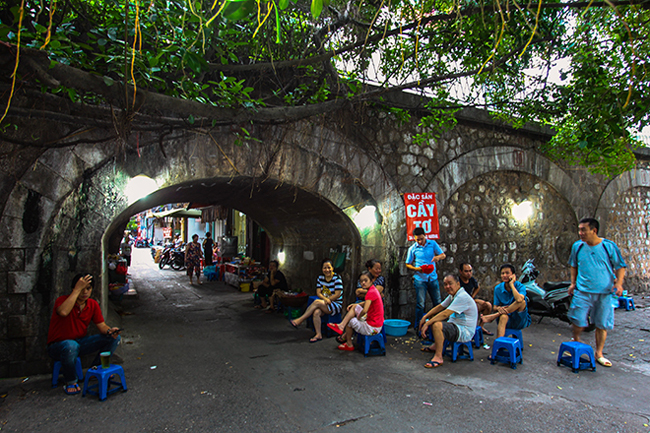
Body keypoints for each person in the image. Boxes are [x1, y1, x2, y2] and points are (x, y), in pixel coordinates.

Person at [47, 273, 121, 395]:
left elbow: (101, 325)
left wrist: (110, 331)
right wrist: (77, 289)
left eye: (88, 289)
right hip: (58, 346)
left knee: (114, 338)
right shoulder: (62, 301)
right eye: (82, 289)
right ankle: (70, 381)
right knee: (71, 346)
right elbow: (64, 312)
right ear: (74, 289)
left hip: (79, 343)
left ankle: (95, 369)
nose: (85, 292)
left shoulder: (92, 304)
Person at [568, 217, 626, 368]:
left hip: (604, 292)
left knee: (602, 323)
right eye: (579, 230)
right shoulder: (578, 246)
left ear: (593, 230)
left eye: (583, 230)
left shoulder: (608, 246)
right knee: (577, 318)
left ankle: (599, 353)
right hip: (583, 290)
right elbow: (573, 265)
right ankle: (576, 340)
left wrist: (619, 283)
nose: (580, 233)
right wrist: (573, 283)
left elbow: (620, 266)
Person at [418, 274, 478, 368]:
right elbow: (440, 307)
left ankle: (438, 357)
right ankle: (436, 345)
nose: (448, 287)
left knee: (437, 324)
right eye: (445, 284)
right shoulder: (453, 295)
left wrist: (427, 323)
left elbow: (445, 313)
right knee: (435, 320)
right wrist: (425, 317)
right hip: (455, 326)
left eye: (450, 284)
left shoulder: (462, 296)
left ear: (458, 284)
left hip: (464, 331)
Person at [327, 271, 385, 351]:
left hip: (373, 327)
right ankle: (341, 326)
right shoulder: (373, 290)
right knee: (355, 307)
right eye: (361, 281)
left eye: (365, 280)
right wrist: (355, 305)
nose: (363, 283)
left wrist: (359, 317)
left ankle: (349, 344)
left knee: (351, 321)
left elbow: (364, 311)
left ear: (371, 281)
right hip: (376, 322)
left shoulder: (370, 293)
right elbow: (366, 303)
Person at [290, 259, 343, 343]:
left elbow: (338, 294)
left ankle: (300, 320)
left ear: (332, 268)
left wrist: (329, 299)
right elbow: (318, 293)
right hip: (325, 302)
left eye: (329, 267)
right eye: (324, 268)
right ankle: (318, 334)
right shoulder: (320, 278)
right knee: (316, 312)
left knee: (316, 302)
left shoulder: (337, 278)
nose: (327, 270)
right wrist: (325, 299)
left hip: (335, 304)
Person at [405, 226, 446, 330]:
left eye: (421, 239)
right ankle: (418, 326)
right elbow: (407, 264)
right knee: (420, 304)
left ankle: (439, 325)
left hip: (432, 278)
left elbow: (443, 255)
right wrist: (417, 269)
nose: (420, 241)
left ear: (425, 236)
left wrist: (437, 257)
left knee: (437, 302)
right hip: (420, 279)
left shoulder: (432, 244)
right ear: (414, 238)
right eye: (417, 239)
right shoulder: (413, 249)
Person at [480, 264, 530, 338]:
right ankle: (499, 344)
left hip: (519, 319)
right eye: (503, 273)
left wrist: (512, 285)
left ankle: (494, 316)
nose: (504, 275)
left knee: (522, 302)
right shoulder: (498, 288)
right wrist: (499, 309)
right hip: (506, 319)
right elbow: (495, 307)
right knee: (503, 316)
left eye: (507, 273)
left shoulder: (520, 286)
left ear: (513, 275)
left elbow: (519, 299)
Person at [459, 262, 493, 335]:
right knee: (475, 307)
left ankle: (481, 326)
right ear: (461, 272)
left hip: (471, 300)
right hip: (462, 305)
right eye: (466, 271)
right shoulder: (458, 282)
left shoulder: (472, 280)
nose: (469, 273)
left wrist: (472, 297)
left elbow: (477, 287)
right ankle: (472, 328)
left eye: (470, 271)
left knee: (488, 305)